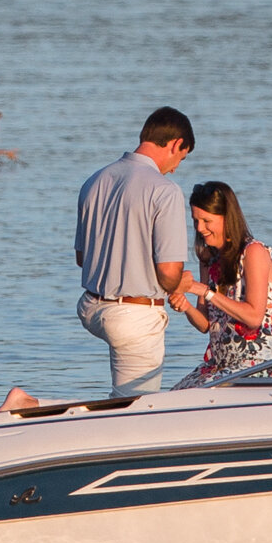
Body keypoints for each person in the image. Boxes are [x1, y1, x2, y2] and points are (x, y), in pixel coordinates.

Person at [72, 107, 196, 396]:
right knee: (138, 410)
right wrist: (184, 284)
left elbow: (82, 259)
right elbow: (168, 274)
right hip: (134, 316)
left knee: (122, 405)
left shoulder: (94, 181)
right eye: (181, 157)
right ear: (176, 144)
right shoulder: (165, 190)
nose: (176, 167)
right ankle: (31, 406)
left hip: (92, 307)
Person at [170, 180, 272, 388]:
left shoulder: (253, 253)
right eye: (195, 221)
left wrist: (204, 291)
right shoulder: (209, 258)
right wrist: (186, 305)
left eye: (207, 221)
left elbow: (253, 317)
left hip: (261, 362)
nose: (200, 228)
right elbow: (205, 325)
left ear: (227, 218)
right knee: (172, 397)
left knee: (200, 396)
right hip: (222, 364)